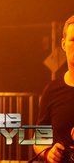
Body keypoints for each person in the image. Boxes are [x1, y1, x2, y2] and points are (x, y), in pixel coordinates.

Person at [35, 16, 74, 163]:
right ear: (63, 44)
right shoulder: (52, 90)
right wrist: (48, 153)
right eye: (73, 40)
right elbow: (39, 138)